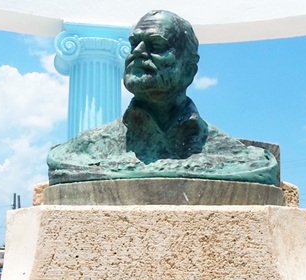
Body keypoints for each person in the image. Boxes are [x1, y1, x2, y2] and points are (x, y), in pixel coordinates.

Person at [47, 10, 279, 186]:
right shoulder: (83, 150)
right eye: (133, 44)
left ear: (188, 70)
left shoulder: (237, 155)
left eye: (156, 45)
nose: (137, 51)